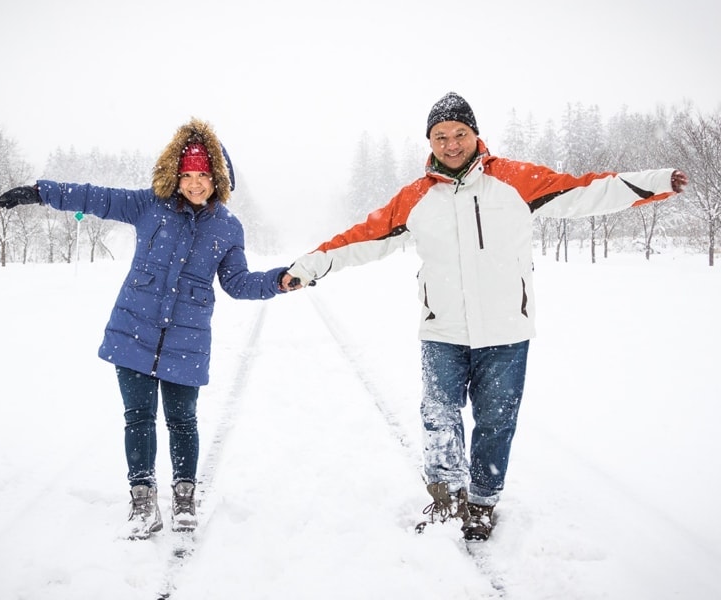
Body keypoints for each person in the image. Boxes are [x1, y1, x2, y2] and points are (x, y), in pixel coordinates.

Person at [282, 92, 689, 541]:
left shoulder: (514, 180)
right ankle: (446, 497)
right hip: (443, 329)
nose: (451, 144)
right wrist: (306, 267)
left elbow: (586, 191)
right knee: (439, 415)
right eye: (441, 136)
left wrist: (658, 181)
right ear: (429, 142)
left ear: (476, 135)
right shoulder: (416, 198)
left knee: (496, 422)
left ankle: (482, 502)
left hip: (506, 330)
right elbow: (360, 239)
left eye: (460, 133)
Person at [0, 118, 295, 540]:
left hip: (187, 340)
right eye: (188, 175)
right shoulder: (148, 206)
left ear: (218, 180)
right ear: (176, 174)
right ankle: (142, 498)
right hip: (132, 331)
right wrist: (41, 192)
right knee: (137, 418)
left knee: (182, 421)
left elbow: (237, 282)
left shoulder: (227, 227)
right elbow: (94, 197)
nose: (195, 184)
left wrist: (278, 280)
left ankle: (185, 496)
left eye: (204, 176)